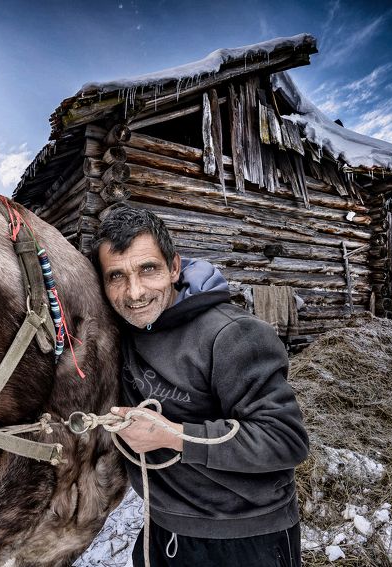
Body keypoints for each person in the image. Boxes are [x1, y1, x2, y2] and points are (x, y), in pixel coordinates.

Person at [91, 206, 309, 567]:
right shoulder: (124, 332)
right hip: (163, 529)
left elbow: (285, 439)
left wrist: (171, 435)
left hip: (245, 535)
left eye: (149, 269)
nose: (134, 292)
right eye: (116, 276)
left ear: (175, 267)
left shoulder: (232, 335)